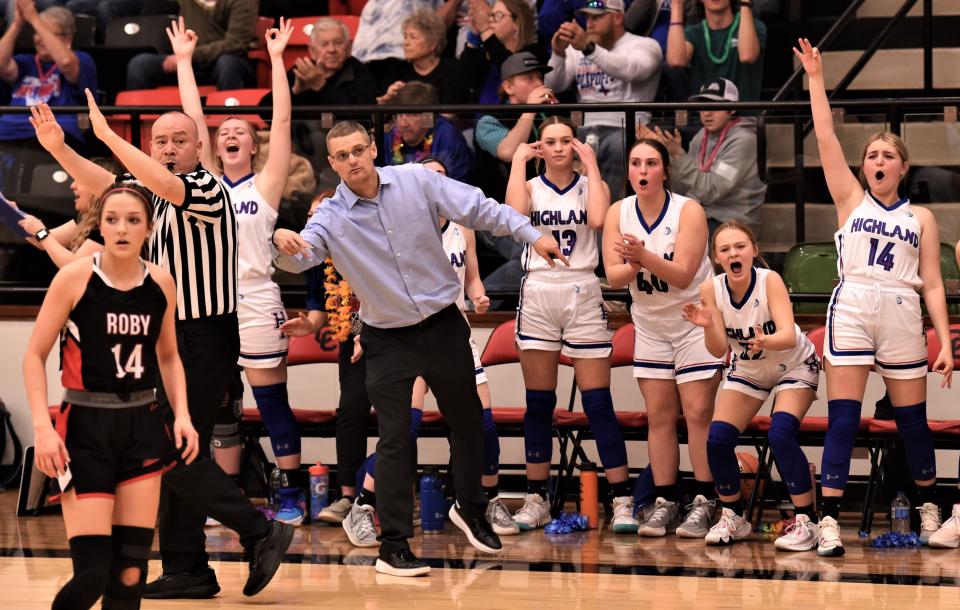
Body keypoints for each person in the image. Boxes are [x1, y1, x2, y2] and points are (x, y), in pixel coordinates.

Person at [271, 120, 566, 577]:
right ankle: (393, 547)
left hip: (443, 323)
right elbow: (301, 255)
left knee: (470, 421)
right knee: (394, 440)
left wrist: (534, 235)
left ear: (373, 150)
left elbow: (480, 208)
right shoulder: (329, 215)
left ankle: (469, 507)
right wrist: (281, 244)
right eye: (342, 156)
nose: (352, 160)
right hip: (387, 337)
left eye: (358, 151)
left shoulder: (416, 180)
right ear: (332, 164)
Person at [31, 92, 294, 597]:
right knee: (174, 454)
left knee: (170, 450)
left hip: (205, 338)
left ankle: (261, 531)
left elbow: (163, 183)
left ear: (200, 147)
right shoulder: (149, 195)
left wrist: (109, 135)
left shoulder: (208, 189)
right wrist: (60, 149)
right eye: (160, 141)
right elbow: (108, 186)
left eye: (178, 140)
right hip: (169, 338)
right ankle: (187, 567)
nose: (168, 148)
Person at [796, 38, 953, 556]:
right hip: (856, 304)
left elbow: (932, 281)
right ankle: (828, 519)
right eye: (872, 155)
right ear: (864, 168)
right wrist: (816, 81)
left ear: (903, 168)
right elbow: (824, 139)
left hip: (905, 310)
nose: (878, 159)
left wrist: (945, 342)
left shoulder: (921, 218)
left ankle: (930, 503)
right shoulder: (850, 198)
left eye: (888, 155)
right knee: (845, 416)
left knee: (911, 421)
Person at [23, 183, 200, 610]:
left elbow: (170, 356)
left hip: (142, 424)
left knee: (130, 576)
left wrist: (183, 415)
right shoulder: (75, 278)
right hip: (84, 427)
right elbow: (33, 356)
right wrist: (43, 429)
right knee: (93, 574)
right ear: (99, 225)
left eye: (133, 220)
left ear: (149, 229)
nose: (122, 229)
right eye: (113, 220)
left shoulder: (161, 282)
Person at [340, 156, 518, 549]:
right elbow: (363, 288)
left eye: (440, 178)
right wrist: (358, 333)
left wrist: (479, 295)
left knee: (481, 424)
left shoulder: (462, 228)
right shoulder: (393, 227)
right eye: (427, 177)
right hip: (406, 335)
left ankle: (481, 505)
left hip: (453, 332)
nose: (433, 184)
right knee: (404, 430)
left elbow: (471, 277)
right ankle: (364, 504)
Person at [170, 17, 307, 525]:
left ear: (253, 145)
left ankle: (290, 495)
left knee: (271, 400)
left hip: (252, 296)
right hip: (204, 302)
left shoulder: (264, 186)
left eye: (239, 132)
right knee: (216, 406)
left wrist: (275, 59)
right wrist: (185, 62)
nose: (228, 134)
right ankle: (222, 499)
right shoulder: (201, 182)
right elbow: (190, 120)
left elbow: (286, 124)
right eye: (221, 130)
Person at [506, 116, 638, 533]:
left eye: (567, 140)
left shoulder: (589, 186)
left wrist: (593, 166)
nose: (559, 147)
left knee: (598, 402)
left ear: (576, 145)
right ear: (539, 148)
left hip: (582, 286)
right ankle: (536, 496)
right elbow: (513, 219)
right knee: (539, 403)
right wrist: (516, 163)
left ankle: (621, 500)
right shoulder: (529, 186)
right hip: (539, 289)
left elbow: (599, 221)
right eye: (550, 141)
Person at [602, 138, 723, 538]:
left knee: (698, 414)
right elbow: (613, 276)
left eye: (651, 163)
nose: (642, 170)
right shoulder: (619, 212)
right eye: (635, 162)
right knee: (659, 416)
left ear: (665, 171)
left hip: (694, 320)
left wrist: (641, 257)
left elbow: (684, 273)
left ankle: (706, 501)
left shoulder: (689, 210)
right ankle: (666, 500)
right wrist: (638, 262)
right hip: (651, 324)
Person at [682, 221, 820, 548]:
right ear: (717, 258)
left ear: (753, 250)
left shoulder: (769, 280)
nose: (734, 253)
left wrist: (765, 340)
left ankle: (807, 521)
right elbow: (718, 349)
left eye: (740, 246)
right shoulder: (710, 290)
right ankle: (733, 516)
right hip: (749, 368)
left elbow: (787, 334)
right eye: (726, 249)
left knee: (780, 433)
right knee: (716, 440)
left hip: (793, 363)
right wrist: (707, 325)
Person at [545, 0, 661, 198]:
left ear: (618, 17)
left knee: (618, 147)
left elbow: (631, 70)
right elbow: (554, 85)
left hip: (628, 128)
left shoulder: (644, 45)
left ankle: (610, 218)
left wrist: (590, 49)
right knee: (559, 145)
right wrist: (558, 53)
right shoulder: (577, 49)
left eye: (597, 17)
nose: (590, 23)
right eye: (587, 17)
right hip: (585, 129)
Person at [640, 78, 766, 234]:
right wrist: (667, 156)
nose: (706, 113)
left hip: (732, 220)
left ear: (732, 109)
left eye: (714, 107)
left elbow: (711, 190)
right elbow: (683, 188)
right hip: (703, 213)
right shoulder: (702, 136)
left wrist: (678, 154)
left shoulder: (744, 140)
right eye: (703, 106)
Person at [0, 2, 96, 190]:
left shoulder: (81, 59)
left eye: (46, 32)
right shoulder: (26, 62)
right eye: (36, 32)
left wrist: (34, 18)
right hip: (8, 130)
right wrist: (18, 24)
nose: (39, 38)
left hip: (53, 132)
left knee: (29, 156)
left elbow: (66, 62)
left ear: (68, 38)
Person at [125, 0, 257, 91]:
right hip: (189, 60)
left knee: (228, 64)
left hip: (224, 61)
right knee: (140, 64)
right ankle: (142, 126)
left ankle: (228, 124)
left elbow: (235, 43)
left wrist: (189, 55)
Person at [17, 156, 120, 268]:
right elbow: (40, 241)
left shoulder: (109, 224)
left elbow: (75, 267)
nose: (72, 186)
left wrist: (41, 232)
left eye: (79, 180)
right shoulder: (87, 219)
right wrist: (14, 214)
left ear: (97, 185)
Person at [666, 0, 765, 103]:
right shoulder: (693, 32)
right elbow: (676, 61)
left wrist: (745, 4)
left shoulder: (754, 26)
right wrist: (676, 4)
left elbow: (747, 56)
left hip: (744, 117)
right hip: (703, 115)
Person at [383, 82, 474, 182]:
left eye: (412, 115)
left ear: (428, 117)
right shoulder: (389, 138)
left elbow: (457, 188)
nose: (403, 123)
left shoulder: (448, 137)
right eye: (399, 114)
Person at [376, 9, 469, 105]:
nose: (406, 43)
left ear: (433, 43)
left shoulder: (452, 70)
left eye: (413, 37)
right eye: (405, 37)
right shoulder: (395, 71)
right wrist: (388, 99)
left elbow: (451, 115)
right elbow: (379, 116)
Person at [459, 0, 541, 104]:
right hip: (481, 118)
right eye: (490, 16)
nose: (490, 21)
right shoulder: (488, 54)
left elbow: (509, 66)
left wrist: (485, 29)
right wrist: (474, 37)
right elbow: (465, 80)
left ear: (517, 24)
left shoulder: (534, 52)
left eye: (497, 15)